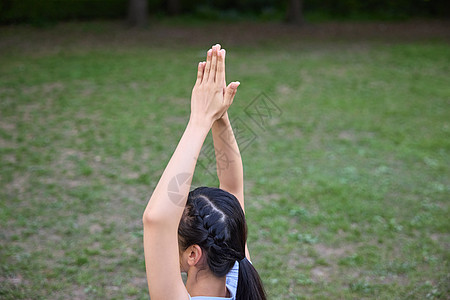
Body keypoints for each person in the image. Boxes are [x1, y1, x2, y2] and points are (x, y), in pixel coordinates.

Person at [142, 44, 267, 300]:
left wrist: (200, 119)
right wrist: (219, 116)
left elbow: (156, 221)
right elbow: (231, 188)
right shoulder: (238, 278)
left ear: (193, 255)